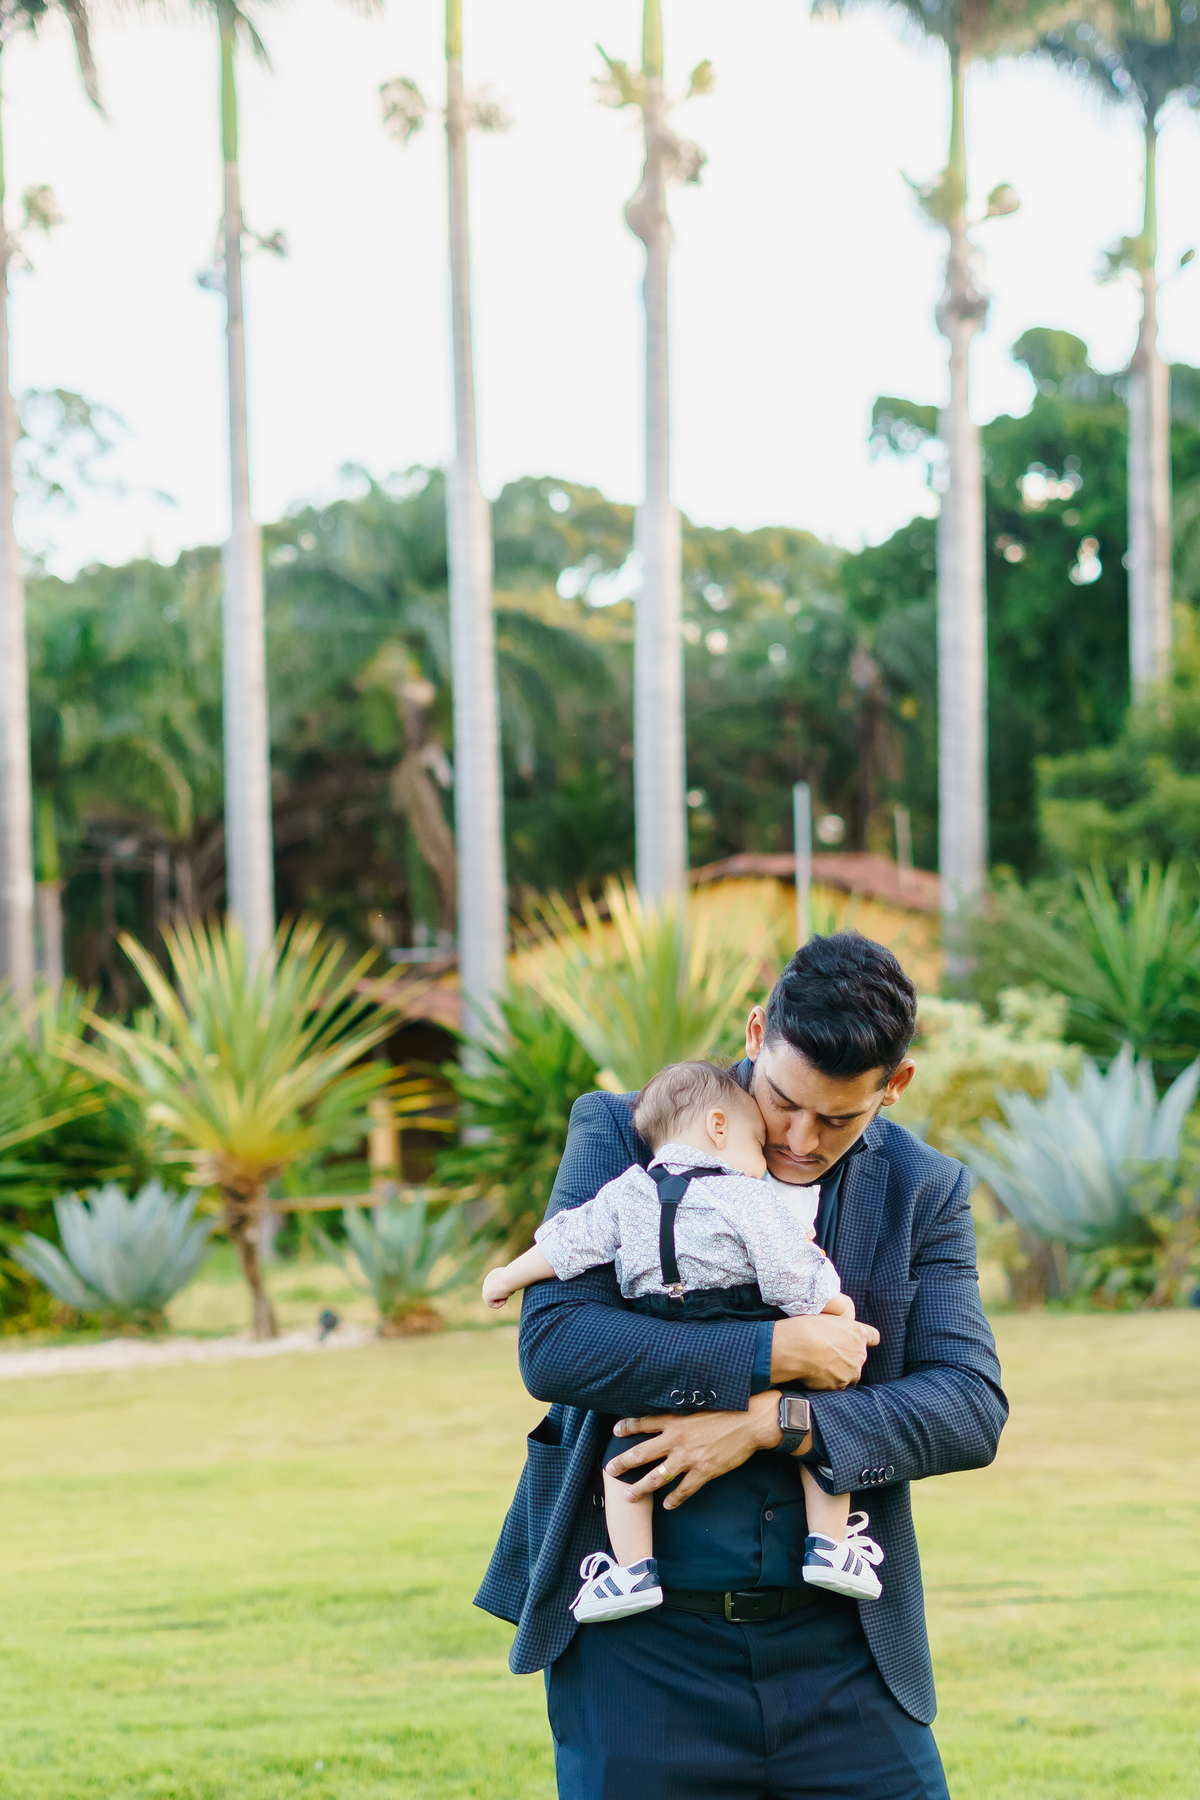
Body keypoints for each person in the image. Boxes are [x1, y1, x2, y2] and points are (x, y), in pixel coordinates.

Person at [475, 931, 1009, 1800]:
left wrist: (774, 1422)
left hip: (845, 1653)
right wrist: (773, 1352)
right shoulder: (623, 1130)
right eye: (783, 1102)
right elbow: (558, 1345)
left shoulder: (925, 1189)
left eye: (838, 1118)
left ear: (894, 1087)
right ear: (756, 1033)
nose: (798, 1138)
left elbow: (968, 1405)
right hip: (637, 1654)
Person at [482, 1060, 885, 1618]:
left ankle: (631, 1573)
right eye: (756, 1142)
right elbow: (787, 1268)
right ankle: (831, 1547)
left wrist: (507, 1276)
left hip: (661, 1324)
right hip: (738, 1315)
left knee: (624, 1461)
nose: (766, 1156)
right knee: (822, 1426)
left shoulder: (629, 1189)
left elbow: (570, 1241)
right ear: (720, 1128)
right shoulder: (746, 1195)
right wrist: (831, 1307)